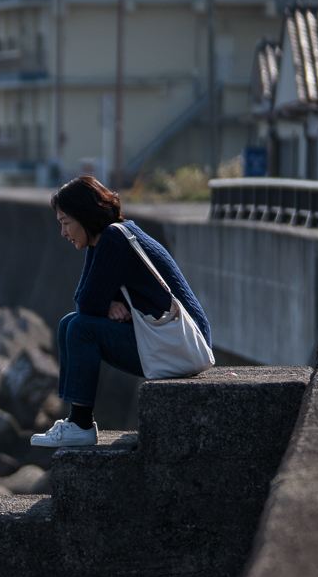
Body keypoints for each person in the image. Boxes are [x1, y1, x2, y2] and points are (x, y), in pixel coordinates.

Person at [31, 175, 213, 448]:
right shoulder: (110, 235)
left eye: (66, 223)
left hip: (181, 346)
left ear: (85, 216)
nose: (64, 233)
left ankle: (80, 424)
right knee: (70, 324)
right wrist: (108, 306)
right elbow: (85, 298)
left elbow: (87, 304)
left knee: (80, 328)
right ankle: (74, 420)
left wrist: (104, 306)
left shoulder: (114, 240)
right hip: (168, 338)